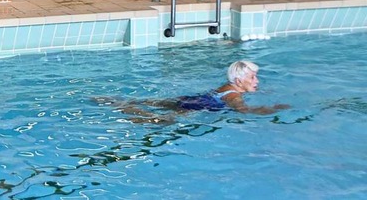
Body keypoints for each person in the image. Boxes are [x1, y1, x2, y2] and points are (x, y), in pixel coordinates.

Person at [95, 60, 290, 124]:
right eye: (253, 78)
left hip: (196, 98)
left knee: (156, 102)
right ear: (239, 81)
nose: (257, 81)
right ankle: (127, 110)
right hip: (200, 105)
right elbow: (243, 111)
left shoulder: (228, 86)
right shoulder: (233, 95)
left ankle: (114, 100)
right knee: (161, 121)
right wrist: (272, 109)